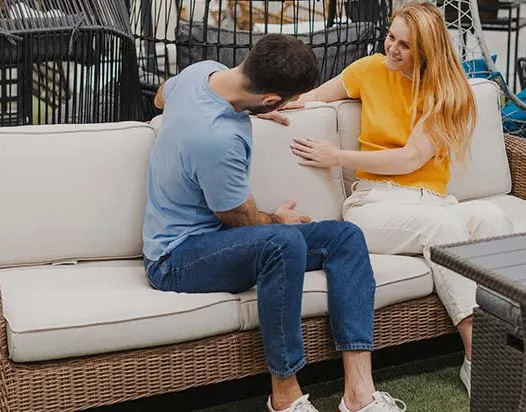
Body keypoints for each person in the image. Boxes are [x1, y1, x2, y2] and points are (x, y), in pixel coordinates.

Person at [142, 34, 406, 412]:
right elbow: (240, 218)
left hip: (215, 239)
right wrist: (277, 219)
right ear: (271, 100)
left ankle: (359, 395)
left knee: (346, 236)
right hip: (176, 257)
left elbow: (163, 94)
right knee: (283, 243)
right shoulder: (218, 138)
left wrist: (246, 108)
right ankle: (285, 396)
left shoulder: (203, 74)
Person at [271, 2, 514, 396]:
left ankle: (510, 340)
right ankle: (476, 355)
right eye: (391, 37)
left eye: (405, 45)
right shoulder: (369, 70)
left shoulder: (447, 93)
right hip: (374, 205)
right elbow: (311, 98)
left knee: (492, 218)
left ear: (427, 52)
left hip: (431, 202)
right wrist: (269, 105)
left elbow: (412, 157)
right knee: (446, 228)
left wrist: (338, 156)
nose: (392, 49)